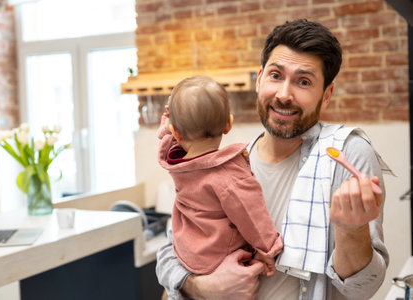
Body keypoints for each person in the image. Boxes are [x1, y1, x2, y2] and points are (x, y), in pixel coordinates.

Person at [156, 19, 391, 300]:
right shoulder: (226, 162)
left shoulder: (346, 154)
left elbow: (362, 289)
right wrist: (205, 287)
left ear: (326, 95)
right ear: (260, 79)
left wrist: (351, 230)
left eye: (303, 82)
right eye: (276, 76)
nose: (284, 95)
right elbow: (171, 251)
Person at [157, 75, 283, 277]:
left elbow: (168, 137)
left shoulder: (178, 163)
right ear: (228, 124)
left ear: (176, 132)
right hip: (219, 257)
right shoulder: (229, 174)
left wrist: (168, 123)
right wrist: (269, 249)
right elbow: (252, 214)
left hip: (188, 252)